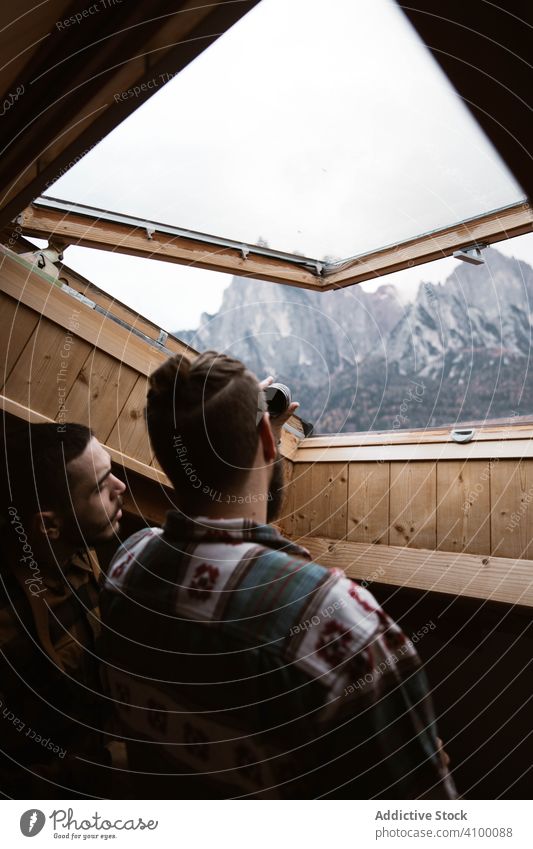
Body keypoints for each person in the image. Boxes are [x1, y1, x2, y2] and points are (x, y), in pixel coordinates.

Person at [100, 351, 456, 799]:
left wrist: (237, 437)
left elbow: (237, 536)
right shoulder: (341, 626)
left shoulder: (126, 565)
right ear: (268, 439)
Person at [0, 420, 126, 797]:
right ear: (49, 526)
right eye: (102, 486)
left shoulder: (76, 548)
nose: (121, 487)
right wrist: (102, 772)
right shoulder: (8, 626)